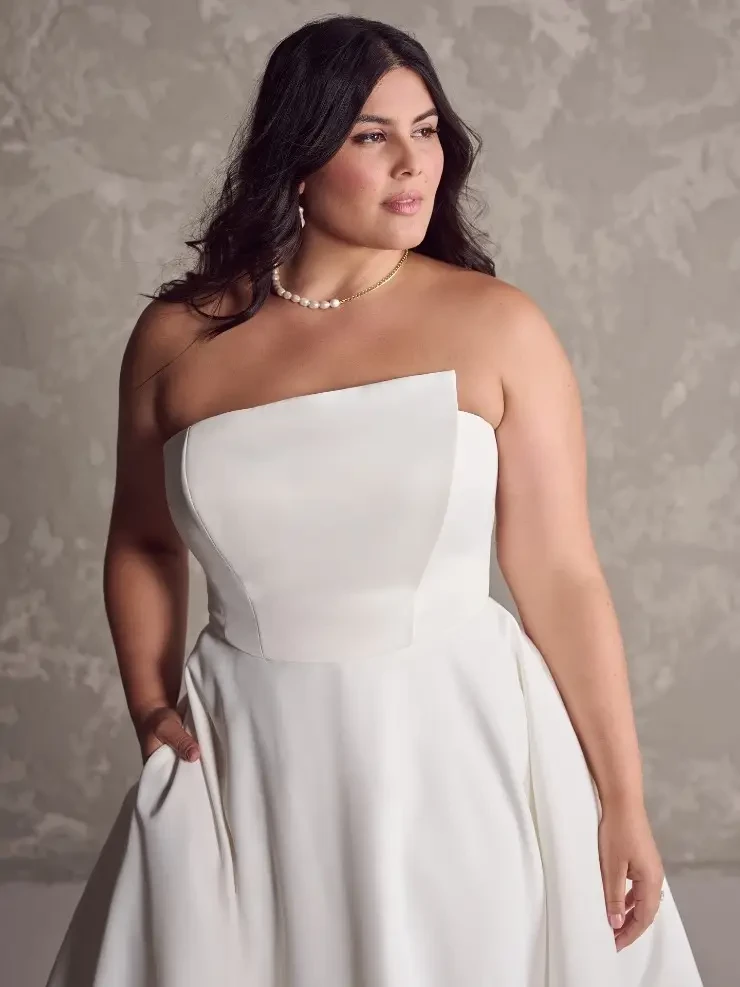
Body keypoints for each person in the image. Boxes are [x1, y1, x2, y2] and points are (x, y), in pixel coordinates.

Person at [45, 14, 704, 987]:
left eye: (427, 130)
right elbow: (143, 541)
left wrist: (621, 801)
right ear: (297, 157)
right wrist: (150, 704)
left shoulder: (496, 327)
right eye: (371, 135)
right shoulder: (178, 338)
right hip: (247, 751)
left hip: (452, 745)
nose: (413, 163)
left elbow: (560, 575)